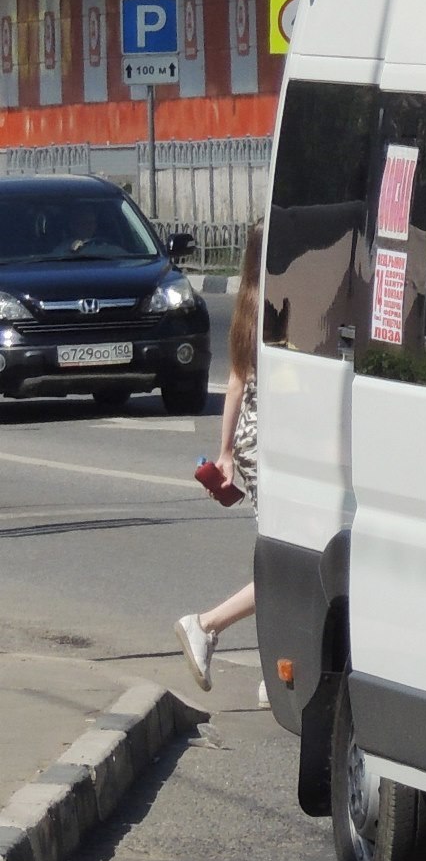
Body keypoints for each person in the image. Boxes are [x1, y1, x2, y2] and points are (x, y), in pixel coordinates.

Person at [174, 223, 263, 696]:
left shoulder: (249, 304)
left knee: (289, 561)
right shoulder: (280, 302)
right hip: (270, 446)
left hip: (251, 442)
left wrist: (228, 451)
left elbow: (235, 382)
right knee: (289, 564)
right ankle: (205, 624)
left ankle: (276, 670)